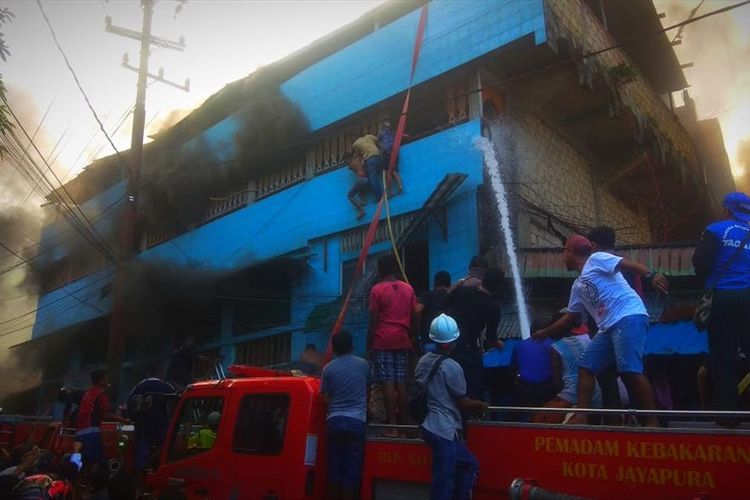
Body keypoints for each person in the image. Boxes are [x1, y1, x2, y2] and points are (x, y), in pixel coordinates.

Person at [533, 235, 667, 426]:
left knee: (629, 369)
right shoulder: (578, 286)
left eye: (564, 251)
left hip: (628, 315)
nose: (562, 256)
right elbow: (570, 317)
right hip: (608, 327)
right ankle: (582, 416)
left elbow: (628, 265)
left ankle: (652, 421)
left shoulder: (596, 259)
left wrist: (651, 275)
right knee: (586, 367)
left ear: (570, 251)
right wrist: (545, 332)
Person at [416, 314, 486, 500]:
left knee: (467, 464)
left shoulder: (423, 361)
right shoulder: (452, 367)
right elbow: (463, 402)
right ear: (454, 340)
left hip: (428, 426)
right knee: (443, 483)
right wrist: (481, 405)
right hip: (443, 430)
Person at [693, 192, 750, 420]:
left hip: (723, 297)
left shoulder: (716, 229)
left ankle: (728, 416)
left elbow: (701, 263)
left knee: (723, 355)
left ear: (726, 209)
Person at [368, 254, 418, 428]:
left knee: (388, 382)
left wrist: (370, 343)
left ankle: (392, 424)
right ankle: (404, 421)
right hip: (402, 339)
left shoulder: (377, 290)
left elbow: (374, 319)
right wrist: (412, 335)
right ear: (396, 269)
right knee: (401, 381)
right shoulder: (408, 289)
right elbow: (414, 314)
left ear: (380, 270)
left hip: (383, 340)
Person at [320, 331, 370, 500]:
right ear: (352, 346)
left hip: (334, 421)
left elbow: (325, 397)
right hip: (356, 422)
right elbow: (367, 390)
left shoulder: (327, 369)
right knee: (352, 470)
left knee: (334, 467)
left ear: (333, 348)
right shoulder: (363, 365)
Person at [444, 268, 504, 400]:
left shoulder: (462, 291)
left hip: (450, 345)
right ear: (499, 286)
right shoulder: (493, 306)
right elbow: (490, 339)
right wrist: (499, 343)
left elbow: (444, 302)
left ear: (483, 280)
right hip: (470, 349)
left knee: (451, 385)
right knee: (472, 388)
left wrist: (456, 286)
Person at [532, 312, 602, 424]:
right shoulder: (584, 341)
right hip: (596, 391)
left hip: (573, 393)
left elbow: (557, 382)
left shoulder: (555, 347)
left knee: (540, 418)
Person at [75, 370, 128, 475]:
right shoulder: (101, 395)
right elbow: (106, 414)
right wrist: (124, 420)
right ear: (100, 380)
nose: (107, 380)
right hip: (91, 432)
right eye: (105, 378)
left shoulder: (88, 393)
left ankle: (81, 485)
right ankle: (93, 485)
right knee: (98, 461)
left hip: (79, 432)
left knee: (84, 462)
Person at [126, 372, 177, 471]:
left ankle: (141, 468)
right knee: (166, 442)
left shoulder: (139, 386)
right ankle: (154, 462)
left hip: (142, 424)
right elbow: (175, 402)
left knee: (141, 445)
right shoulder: (166, 386)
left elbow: (130, 404)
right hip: (160, 423)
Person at [511, 319, 555, 410]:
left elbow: (514, 367)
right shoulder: (553, 344)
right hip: (547, 387)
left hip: (525, 386)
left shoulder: (520, 345)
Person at [416, 270, 451, 349]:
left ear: (435, 283)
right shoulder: (453, 296)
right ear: (449, 284)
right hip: (449, 341)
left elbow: (417, 310)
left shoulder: (428, 295)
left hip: (429, 340)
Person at [352, 132, 384, 200]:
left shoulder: (356, 144)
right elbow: (379, 142)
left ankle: (379, 196)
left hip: (370, 160)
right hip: (379, 157)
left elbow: (357, 155)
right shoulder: (370, 136)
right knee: (376, 175)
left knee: (372, 178)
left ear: (354, 137)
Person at [377, 120, 402, 196]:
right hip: (395, 152)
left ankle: (390, 192)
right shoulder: (393, 133)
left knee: (388, 172)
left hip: (387, 153)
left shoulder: (381, 133)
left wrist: (381, 149)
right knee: (395, 170)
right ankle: (400, 185)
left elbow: (378, 142)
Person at [346, 154, 370, 219]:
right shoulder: (358, 159)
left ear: (349, 158)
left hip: (361, 179)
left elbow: (349, 167)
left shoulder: (351, 165)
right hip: (366, 179)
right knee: (360, 187)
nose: (346, 163)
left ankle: (361, 210)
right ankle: (364, 201)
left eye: (346, 161)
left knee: (350, 195)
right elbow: (362, 156)